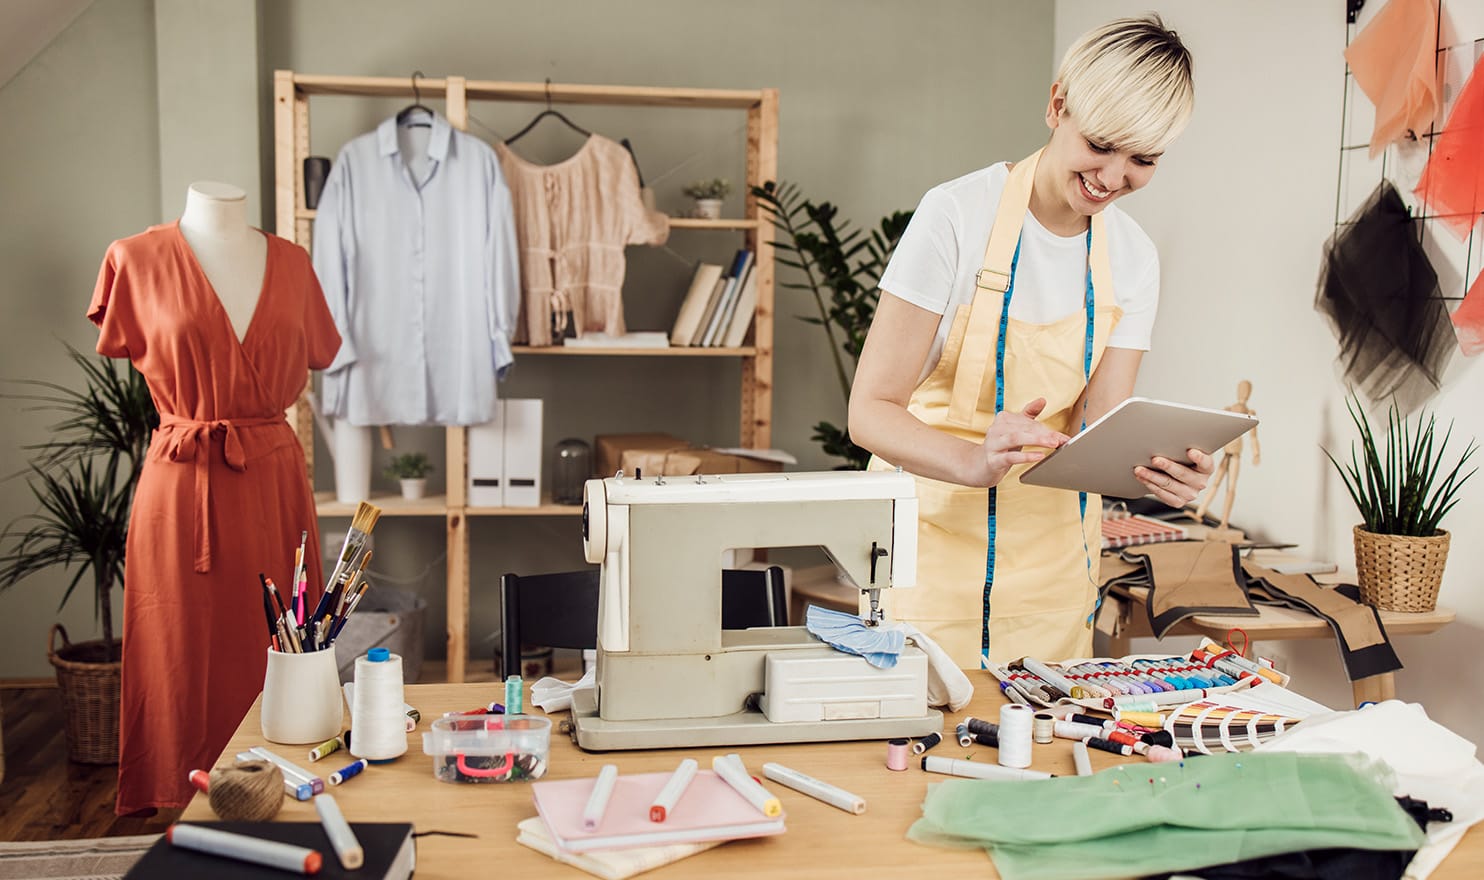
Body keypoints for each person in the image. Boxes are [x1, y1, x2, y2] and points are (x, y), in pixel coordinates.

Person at [849, 15, 1210, 668]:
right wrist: (970, 462)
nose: (1113, 175)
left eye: (1143, 159)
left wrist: (1162, 470)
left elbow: (1100, 432)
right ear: (1057, 106)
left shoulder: (1133, 258)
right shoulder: (954, 216)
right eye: (1101, 144)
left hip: (1053, 584)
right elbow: (869, 409)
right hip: (926, 566)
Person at [89, 182, 340, 814]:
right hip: (183, 482)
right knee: (180, 647)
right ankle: (183, 790)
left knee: (285, 641)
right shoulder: (133, 260)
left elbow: (318, 353)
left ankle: (283, 786)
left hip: (271, 480)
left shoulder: (292, 264)